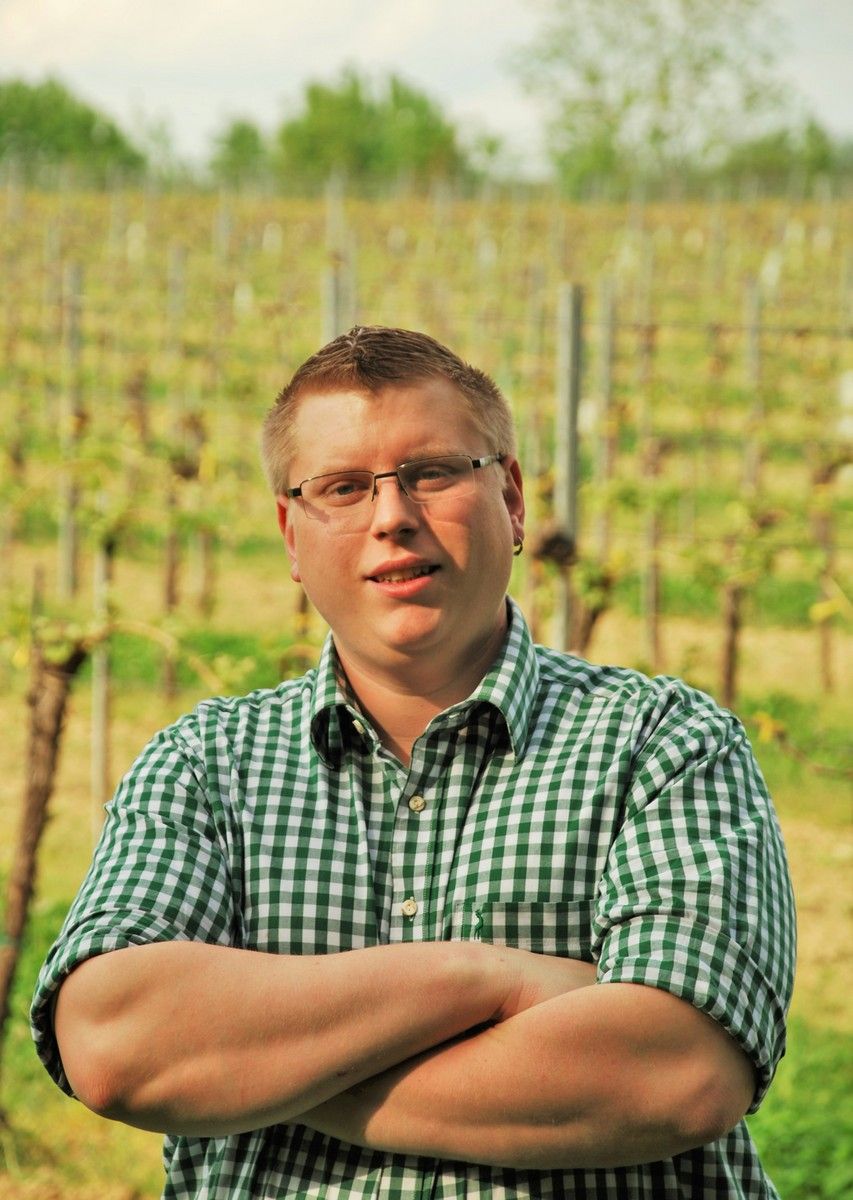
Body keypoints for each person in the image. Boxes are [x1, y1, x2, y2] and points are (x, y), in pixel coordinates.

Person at [32, 325, 795, 1199]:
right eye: (342, 487)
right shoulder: (205, 766)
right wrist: (485, 975)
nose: (391, 516)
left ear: (511, 498)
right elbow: (115, 1046)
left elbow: (677, 1073)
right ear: (290, 534)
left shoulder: (664, 744)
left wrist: (256, 1072)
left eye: (430, 473)